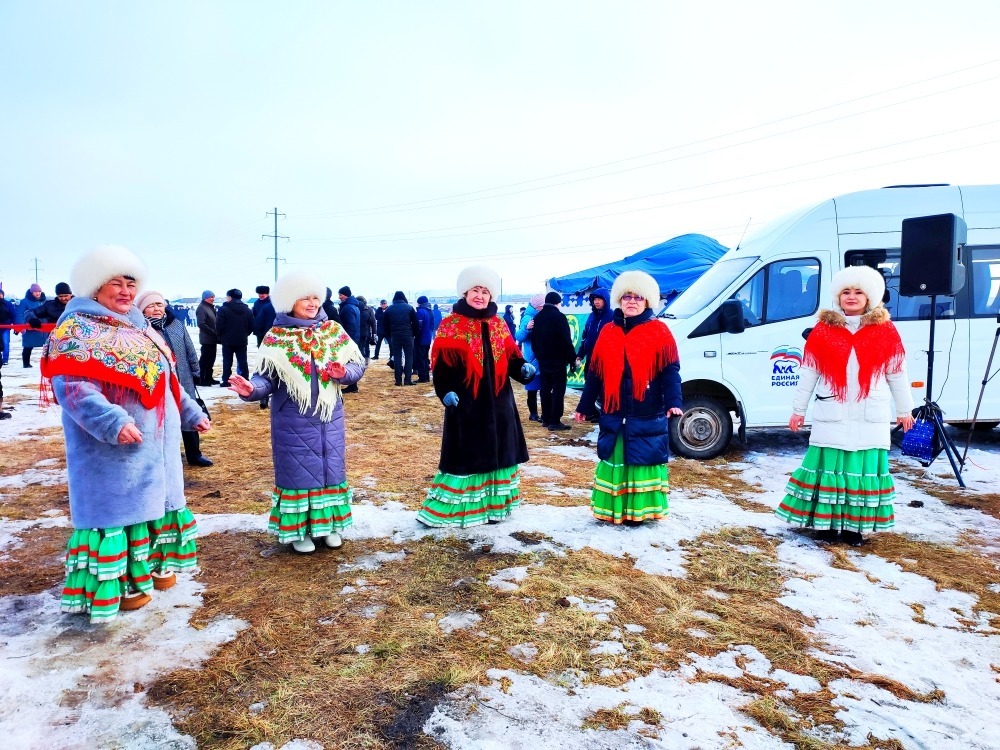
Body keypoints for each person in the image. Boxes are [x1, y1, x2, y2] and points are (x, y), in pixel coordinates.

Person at [42, 245, 211, 622]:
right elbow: (72, 388)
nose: (125, 291)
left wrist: (189, 412)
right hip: (110, 448)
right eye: (114, 283)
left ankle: (148, 568)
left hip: (156, 442)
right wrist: (112, 421)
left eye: (130, 283)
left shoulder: (142, 327)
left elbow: (167, 379)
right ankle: (117, 584)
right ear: (94, 287)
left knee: (152, 506)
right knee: (118, 512)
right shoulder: (76, 330)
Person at [775, 265, 914, 547]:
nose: (851, 297)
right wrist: (798, 410)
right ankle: (825, 525)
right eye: (846, 292)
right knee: (830, 469)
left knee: (859, 472)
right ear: (838, 296)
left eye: (858, 292)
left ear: (870, 297)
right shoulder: (823, 330)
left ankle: (854, 529)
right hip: (832, 412)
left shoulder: (885, 331)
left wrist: (905, 409)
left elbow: (897, 373)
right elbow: (809, 372)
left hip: (869, 414)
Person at [229, 270, 366, 553]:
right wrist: (250, 390)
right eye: (305, 298)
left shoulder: (333, 331)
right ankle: (299, 532)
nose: (312, 303)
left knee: (331, 470)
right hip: (292, 419)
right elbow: (265, 379)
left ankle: (329, 526)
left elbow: (357, 364)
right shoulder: (276, 337)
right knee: (298, 474)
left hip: (330, 417)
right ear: (290, 301)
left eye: (316, 297)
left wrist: (345, 373)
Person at [417, 266, 535, 528]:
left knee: (499, 453)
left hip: (500, 401)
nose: (480, 295)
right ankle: (460, 509)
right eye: (475, 290)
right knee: (468, 456)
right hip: (467, 403)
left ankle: (495, 507)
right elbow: (441, 367)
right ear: (465, 292)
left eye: (485, 291)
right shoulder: (451, 324)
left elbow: (512, 359)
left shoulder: (498, 323)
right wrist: (444, 391)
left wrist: (523, 369)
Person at [573, 271, 682, 525]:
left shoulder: (659, 331)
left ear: (648, 302)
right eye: (626, 297)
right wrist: (584, 406)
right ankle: (614, 510)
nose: (631, 302)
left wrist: (675, 401)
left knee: (643, 457)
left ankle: (639, 512)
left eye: (637, 297)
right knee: (616, 456)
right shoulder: (608, 332)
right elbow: (594, 374)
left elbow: (671, 370)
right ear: (619, 301)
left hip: (647, 409)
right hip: (614, 410)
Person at [138, 290, 213, 468]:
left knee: (189, 414)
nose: (156, 309)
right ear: (142, 310)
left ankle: (194, 454)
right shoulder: (142, 330)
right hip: (159, 381)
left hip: (183, 377)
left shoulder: (177, 324)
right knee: (163, 419)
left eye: (159, 304)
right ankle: (166, 458)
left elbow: (189, 349)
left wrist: (196, 371)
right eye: (150, 306)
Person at [531, 291, 578, 430]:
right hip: (558, 360)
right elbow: (566, 341)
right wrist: (572, 359)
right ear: (557, 303)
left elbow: (534, 341)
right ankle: (555, 421)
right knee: (558, 390)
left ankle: (545, 418)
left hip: (543, 360)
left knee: (545, 389)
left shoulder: (538, 317)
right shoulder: (560, 317)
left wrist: (540, 356)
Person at [576, 287, 614, 421]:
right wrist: (580, 353)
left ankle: (605, 413)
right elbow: (585, 337)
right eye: (594, 299)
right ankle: (592, 412)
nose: (596, 302)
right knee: (590, 385)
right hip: (591, 357)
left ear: (605, 300)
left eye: (599, 299)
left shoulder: (612, 316)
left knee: (604, 388)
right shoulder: (591, 317)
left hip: (606, 359)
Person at [514, 292, 545, 422]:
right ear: (538, 306)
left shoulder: (540, 316)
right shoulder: (528, 318)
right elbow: (519, 337)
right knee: (532, 388)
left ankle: (541, 414)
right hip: (532, 358)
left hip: (538, 357)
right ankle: (533, 414)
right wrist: (527, 328)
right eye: (543, 305)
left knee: (542, 387)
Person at [216, 288, 253, 387]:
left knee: (227, 361)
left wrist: (221, 336)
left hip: (227, 340)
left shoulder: (223, 309)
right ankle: (245, 379)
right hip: (242, 340)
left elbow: (219, 325)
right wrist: (245, 334)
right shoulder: (247, 310)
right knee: (242, 361)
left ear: (230, 297)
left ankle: (226, 380)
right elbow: (252, 326)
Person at [384, 291, 419, 386]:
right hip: (408, 335)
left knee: (397, 357)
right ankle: (407, 379)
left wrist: (389, 335)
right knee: (409, 357)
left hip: (395, 336)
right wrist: (414, 334)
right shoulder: (409, 308)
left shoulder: (389, 309)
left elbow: (385, 325)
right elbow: (416, 323)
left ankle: (398, 380)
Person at [16, 283, 47, 367]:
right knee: (28, 346)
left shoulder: (44, 301)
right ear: (31, 292)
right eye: (36, 291)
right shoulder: (24, 302)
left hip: (43, 327)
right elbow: (20, 314)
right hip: (30, 327)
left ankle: (47, 363)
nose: (38, 293)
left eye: (39, 291)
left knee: (48, 346)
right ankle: (26, 363)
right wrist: (22, 326)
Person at [196, 290, 219, 385]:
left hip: (212, 339)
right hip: (206, 339)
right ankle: (201, 379)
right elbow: (201, 323)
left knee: (211, 359)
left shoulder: (210, 307)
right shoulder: (202, 308)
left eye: (213, 297)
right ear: (205, 298)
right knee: (205, 359)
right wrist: (213, 332)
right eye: (211, 297)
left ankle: (209, 377)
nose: (213, 299)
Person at [414, 295, 434, 383]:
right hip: (428, 338)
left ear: (419, 303)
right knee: (425, 357)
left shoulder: (421, 312)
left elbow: (418, 326)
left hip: (421, 338)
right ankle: (426, 376)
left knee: (420, 358)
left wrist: (414, 335)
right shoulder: (430, 311)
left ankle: (422, 377)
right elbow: (432, 326)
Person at [357, 295, 376, 365]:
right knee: (363, 346)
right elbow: (373, 322)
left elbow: (373, 322)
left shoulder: (369, 309)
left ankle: (366, 359)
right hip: (364, 331)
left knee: (366, 346)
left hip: (366, 331)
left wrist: (374, 332)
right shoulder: (367, 310)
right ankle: (363, 359)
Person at [0, 286, 14, 366]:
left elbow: (13, 314)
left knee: (5, 343)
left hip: (5, 326)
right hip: (5, 325)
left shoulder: (8, 304)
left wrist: (15, 325)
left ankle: (5, 359)